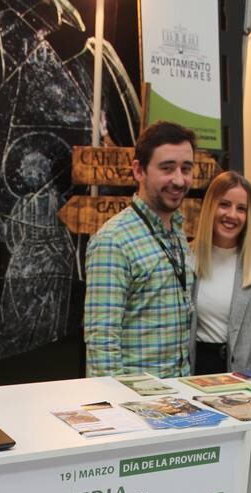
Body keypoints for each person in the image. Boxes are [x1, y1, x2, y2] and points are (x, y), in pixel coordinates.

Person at [84, 121, 196, 377]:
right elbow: (102, 343)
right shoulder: (114, 240)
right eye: (167, 168)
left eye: (186, 168)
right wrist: (119, 409)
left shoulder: (176, 231)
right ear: (138, 170)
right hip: (136, 404)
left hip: (176, 398)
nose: (179, 180)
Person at [190, 171, 251, 374]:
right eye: (224, 204)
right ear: (210, 207)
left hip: (240, 373)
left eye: (241, 209)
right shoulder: (187, 258)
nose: (232, 215)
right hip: (193, 369)